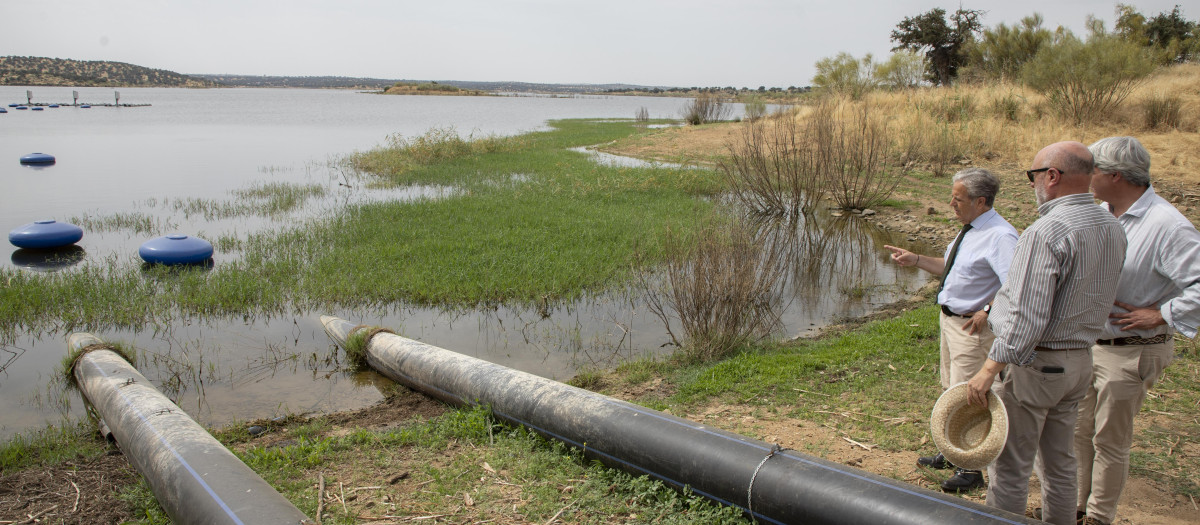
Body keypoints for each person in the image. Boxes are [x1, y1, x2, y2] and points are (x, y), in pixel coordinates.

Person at [966, 141, 1126, 525]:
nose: (1031, 183)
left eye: (1033, 175)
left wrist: (988, 369)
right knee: (1060, 462)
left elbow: (1027, 317)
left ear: (1052, 176)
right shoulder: (1111, 225)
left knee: (1010, 467)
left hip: (1036, 364)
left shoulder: (1047, 232)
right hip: (1079, 361)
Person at [1074, 136, 1200, 525]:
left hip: (1131, 349)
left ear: (1115, 175)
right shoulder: (1102, 213)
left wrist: (1160, 314)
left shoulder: (1168, 226)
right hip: (1091, 345)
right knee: (1078, 430)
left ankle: (1098, 517)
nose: (1086, 176)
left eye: (1092, 169)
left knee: (1109, 438)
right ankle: (1073, 508)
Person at [884, 167, 1018, 492]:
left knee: (972, 395)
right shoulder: (970, 229)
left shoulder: (1001, 236)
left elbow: (1015, 285)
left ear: (981, 201)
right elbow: (952, 268)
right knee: (952, 389)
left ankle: (971, 468)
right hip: (951, 322)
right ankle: (953, 450)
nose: (951, 204)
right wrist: (916, 259)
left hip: (972, 329)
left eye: (958, 199)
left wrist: (988, 310)